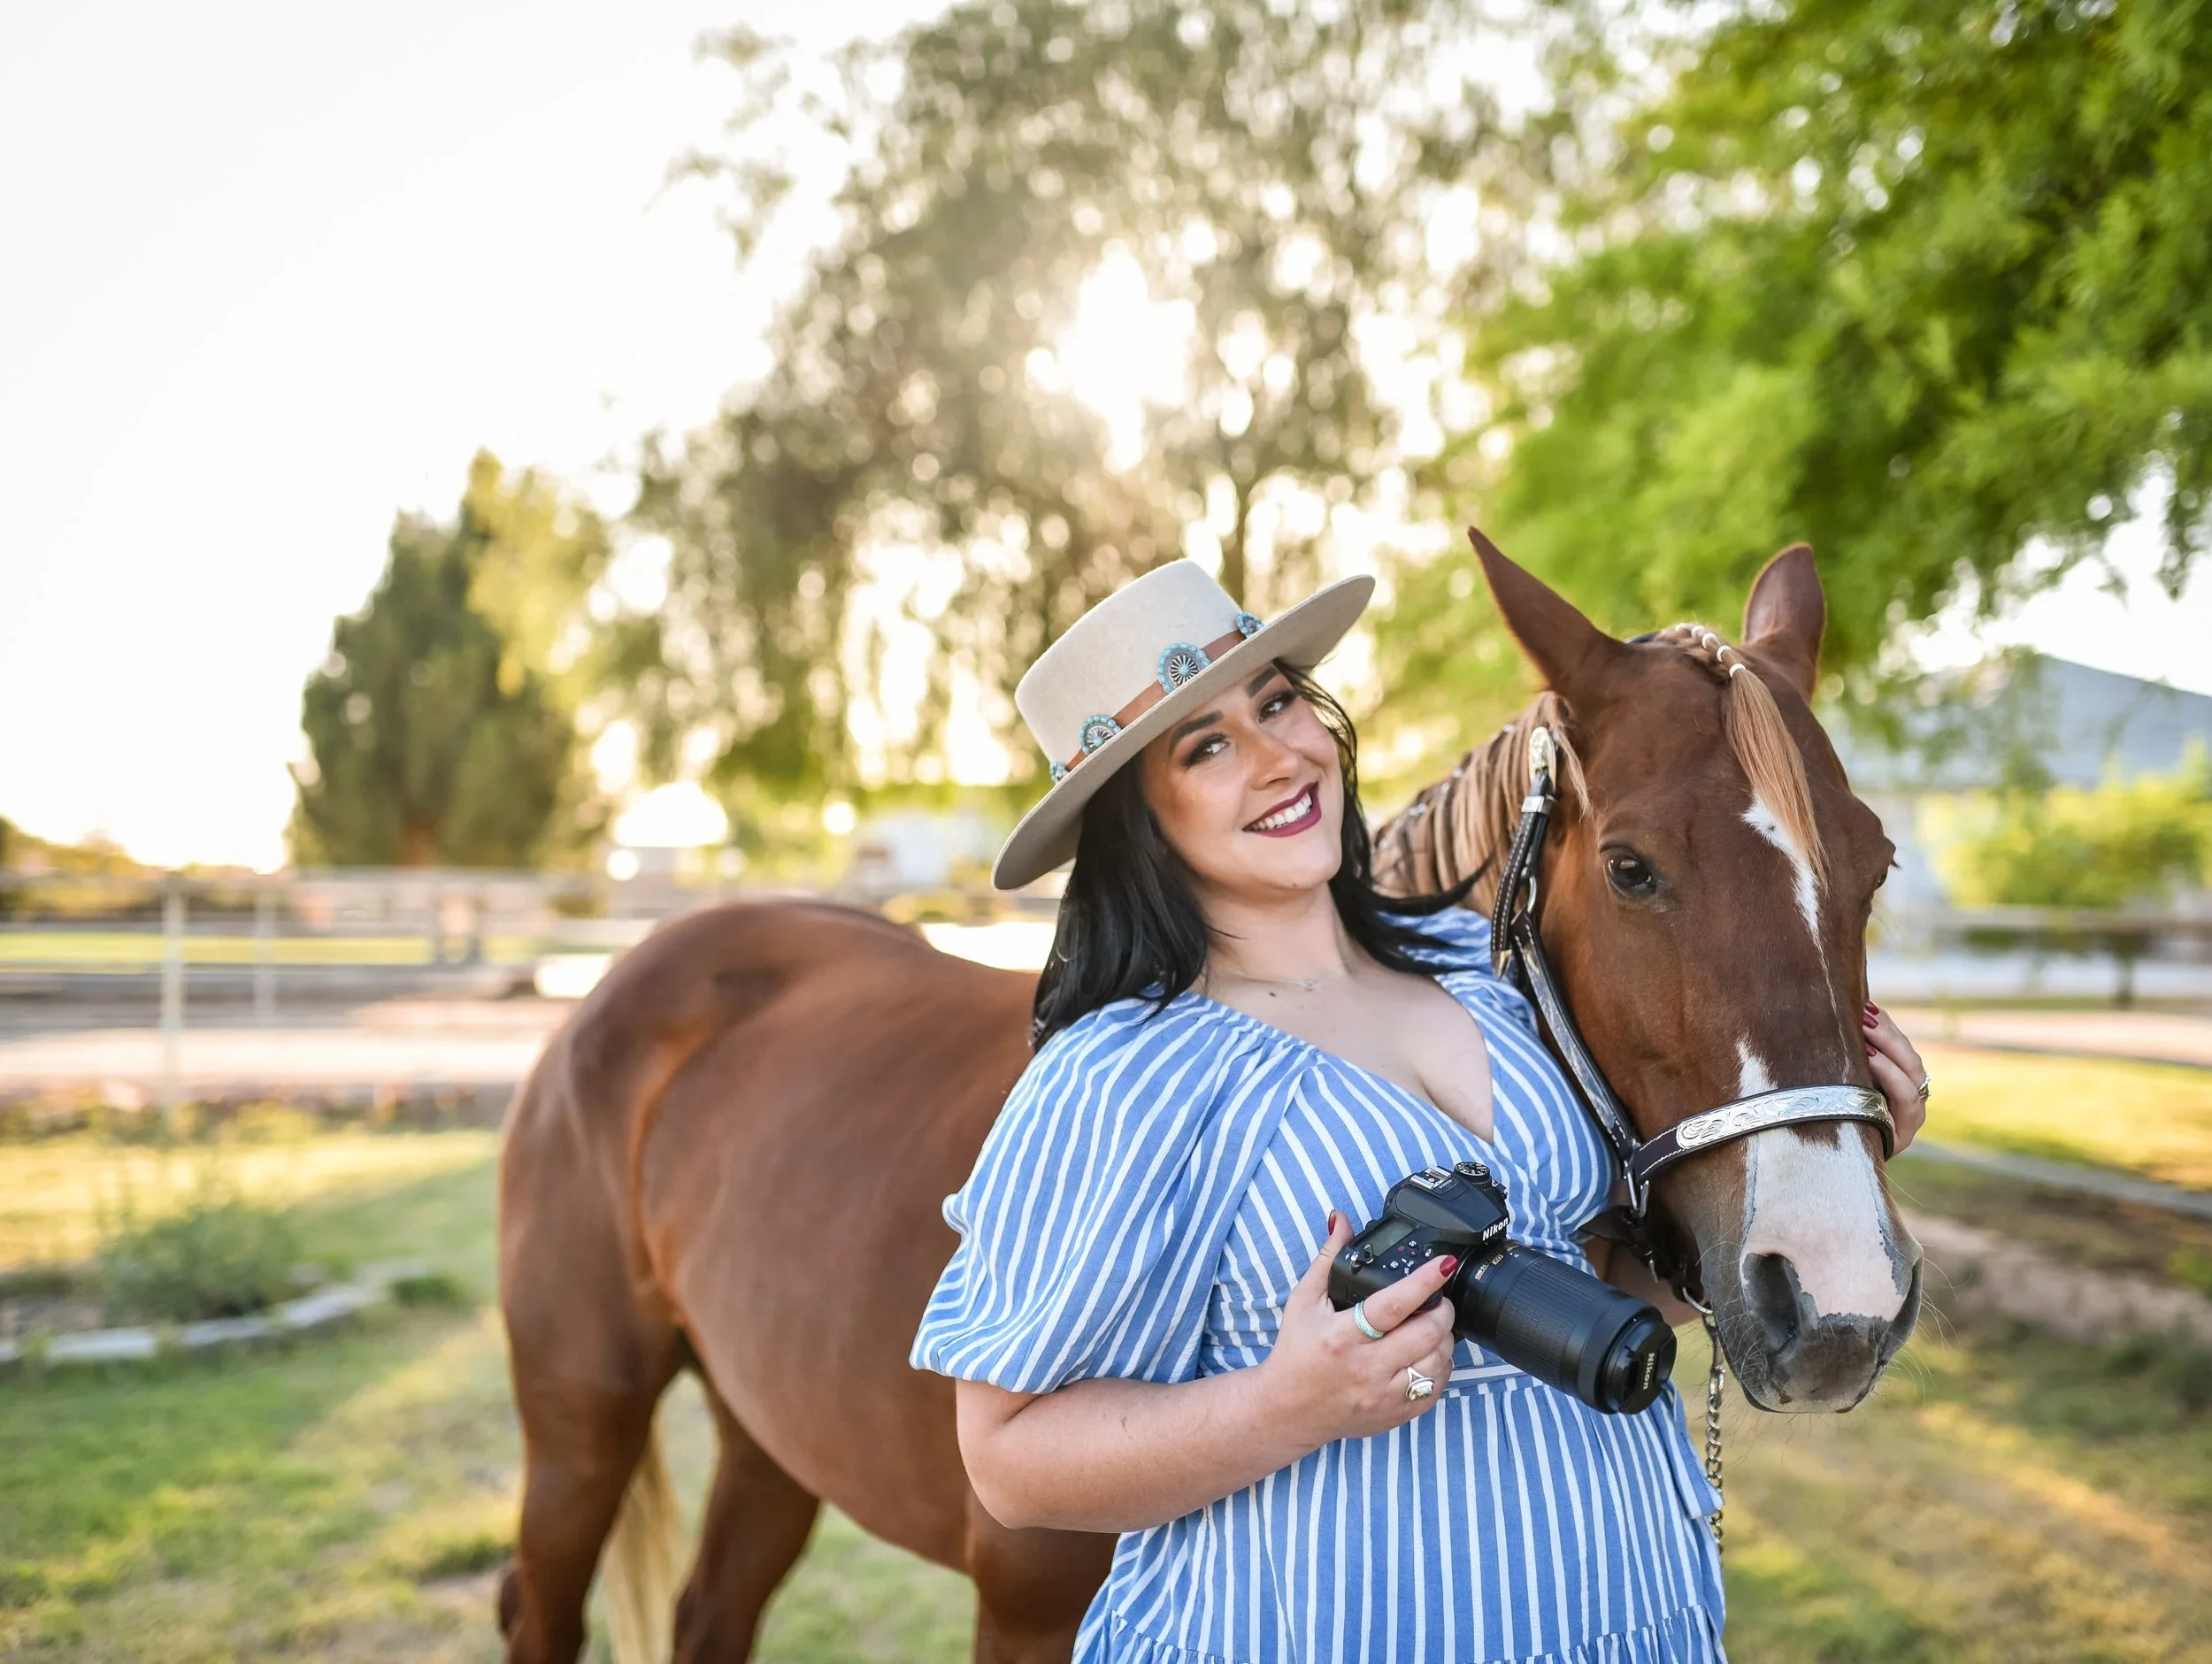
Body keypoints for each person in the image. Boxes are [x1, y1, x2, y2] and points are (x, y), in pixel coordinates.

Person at [910, 560, 1928, 1663]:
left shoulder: (1489, 979)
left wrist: (1818, 1166)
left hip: (1629, 1620)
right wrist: (1287, 1404)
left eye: (1277, 702)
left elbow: (1585, 1286)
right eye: (1204, 748)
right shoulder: (1121, 1073)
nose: (1276, 758)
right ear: (1136, 823)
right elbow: (1007, 1460)